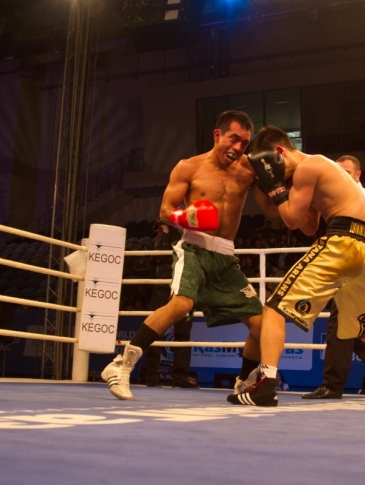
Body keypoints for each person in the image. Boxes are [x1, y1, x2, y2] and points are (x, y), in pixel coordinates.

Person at [229, 125, 365, 408]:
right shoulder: (320, 168)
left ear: (278, 152)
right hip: (363, 251)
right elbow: (309, 224)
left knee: (273, 309)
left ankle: (265, 386)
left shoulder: (308, 166)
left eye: (271, 165)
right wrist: (280, 189)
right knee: (363, 327)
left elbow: (288, 221)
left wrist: (275, 186)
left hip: (343, 241)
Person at [101, 110, 268, 400]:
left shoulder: (248, 170)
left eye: (244, 142)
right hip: (193, 248)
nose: (239, 147)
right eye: (234, 139)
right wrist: (188, 217)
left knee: (261, 324)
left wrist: (277, 185)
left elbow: (272, 209)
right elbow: (165, 211)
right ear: (218, 135)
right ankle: (121, 365)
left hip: (226, 257)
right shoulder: (188, 168)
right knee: (181, 304)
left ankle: (243, 383)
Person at [302, 155, 365, 401]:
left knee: (340, 326)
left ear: (358, 174)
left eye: (347, 171)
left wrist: (351, 245)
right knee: (351, 328)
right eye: (338, 171)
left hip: (356, 266)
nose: (342, 175)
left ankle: (333, 386)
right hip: (341, 264)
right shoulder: (334, 197)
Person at [141, 221, 194, 388]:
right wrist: (164, 230)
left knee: (183, 334)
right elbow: (159, 256)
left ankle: (180, 378)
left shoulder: (191, 235)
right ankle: (151, 376)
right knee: (156, 331)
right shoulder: (163, 235)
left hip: (184, 286)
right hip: (163, 286)